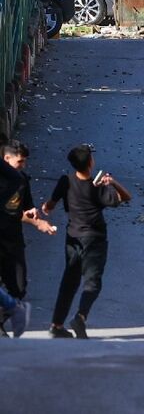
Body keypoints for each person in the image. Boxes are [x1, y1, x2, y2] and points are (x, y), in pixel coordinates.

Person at [43, 144, 132, 339]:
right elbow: (126, 197)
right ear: (91, 163)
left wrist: (46, 208)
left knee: (69, 282)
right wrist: (112, 182)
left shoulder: (65, 181)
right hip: (95, 240)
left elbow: (49, 204)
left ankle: (56, 325)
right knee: (92, 283)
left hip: (72, 238)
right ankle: (81, 316)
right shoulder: (98, 188)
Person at [0, 141, 55, 336]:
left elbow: (23, 211)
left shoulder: (21, 180)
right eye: (20, 161)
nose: (23, 165)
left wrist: (36, 219)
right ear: (6, 158)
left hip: (13, 240)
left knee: (19, 287)